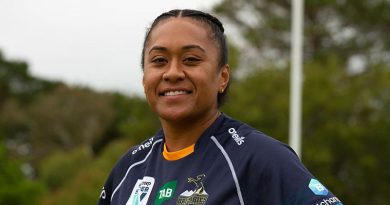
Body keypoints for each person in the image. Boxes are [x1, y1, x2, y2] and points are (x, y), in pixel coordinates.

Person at [97, 9, 342, 205]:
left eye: (191, 60)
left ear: (222, 77)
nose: (172, 73)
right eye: (159, 61)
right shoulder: (128, 169)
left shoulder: (259, 158)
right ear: (144, 78)